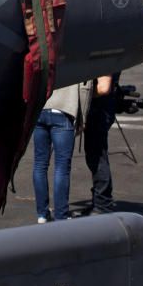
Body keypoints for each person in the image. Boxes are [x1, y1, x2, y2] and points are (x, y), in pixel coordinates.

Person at [33, 82, 92, 223]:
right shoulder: (75, 58)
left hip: (40, 109)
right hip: (63, 110)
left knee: (40, 164)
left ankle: (42, 213)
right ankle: (61, 215)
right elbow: (85, 87)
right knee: (62, 167)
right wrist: (82, 117)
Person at [83, 73, 119, 214]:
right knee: (95, 155)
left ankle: (102, 204)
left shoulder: (105, 55)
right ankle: (99, 201)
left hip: (100, 110)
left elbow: (104, 88)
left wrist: (81, 94)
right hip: (102, 107)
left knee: (97, 157)